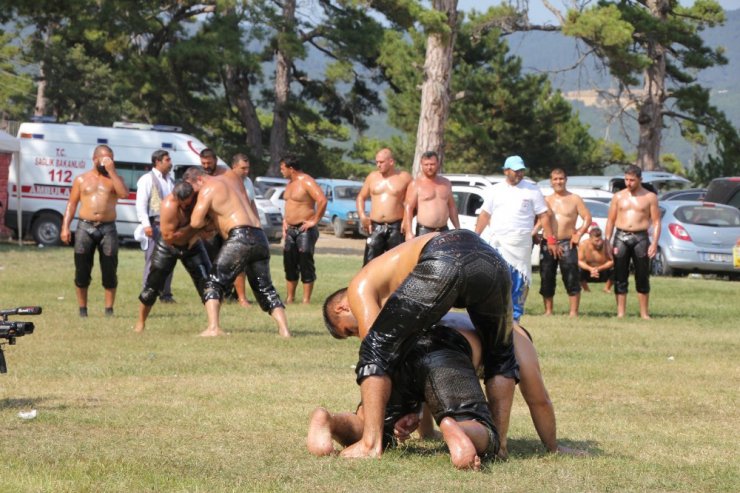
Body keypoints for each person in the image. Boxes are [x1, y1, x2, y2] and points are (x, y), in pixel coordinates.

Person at [322, 229, 518, 459]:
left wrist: (390, 411)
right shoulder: (398, 277)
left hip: (443, 255)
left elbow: (384, 355)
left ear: (342, 308)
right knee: (501, 356)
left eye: (349, 330)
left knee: (375, 348)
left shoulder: (359, 286)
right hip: (492, 260)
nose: (358, 333)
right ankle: (500, 446)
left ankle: (370, 443)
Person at [308, 320, 497, 470]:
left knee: (374, 428)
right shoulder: (489, 323)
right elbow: (505, 372)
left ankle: (331, 421)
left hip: (401, 349)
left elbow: (426, 383)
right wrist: (501, 444)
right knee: (482, 427)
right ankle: (458, 427)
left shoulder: (414, 308)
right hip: (448, 345)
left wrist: (415, 416)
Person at [415, 312, 587, 456]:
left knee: (429, 374)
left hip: (419, 342)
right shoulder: (517, 336)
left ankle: (417, 431)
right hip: (455, 347)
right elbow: (539, 399)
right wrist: (553, 446)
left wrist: (427, 432)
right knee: (476, 423)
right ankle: (489, 443)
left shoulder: (472, 319)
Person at [185, 166, 291, 337]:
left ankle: (213, 328)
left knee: (213, 282)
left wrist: (208, 223)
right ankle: (284, 330)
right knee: (265, 287)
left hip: (240, 236)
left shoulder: (207, 188)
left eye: (193, 188)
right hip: (259, 236)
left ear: (198, 179)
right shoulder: (231, 181)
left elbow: (195, 222)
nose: (194, 193)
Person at [475, 155, 557, 325]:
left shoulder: (532, 189)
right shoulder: (495, 190)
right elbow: (485, 215)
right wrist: (475, 236)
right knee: (497, 279)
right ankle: (495, 316)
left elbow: (544, 215)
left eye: (521, 170)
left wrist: (550, 240)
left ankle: (515, 318)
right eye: (516, 170)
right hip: (498, 242)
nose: (519, 173)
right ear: (506, 171)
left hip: (521, 244)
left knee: (519, 280)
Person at [60, 144, 129, 317]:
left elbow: (123, 194)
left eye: (110, 158)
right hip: (85, 226)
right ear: (94, 159)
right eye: (104, 158)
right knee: (82, 268)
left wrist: (112, 172)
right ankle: (83, 309)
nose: (107, 161)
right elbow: (72, 204)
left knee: (109, 269)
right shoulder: (82, 179)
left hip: (108, 228)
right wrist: (65, 227)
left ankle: (109, 310)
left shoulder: (115, 179)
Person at [134, 181, 211, 332]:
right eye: (181, 204)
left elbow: (210, 225)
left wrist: (196, 235)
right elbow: (169, 237)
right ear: (176, 198)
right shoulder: (168, 205)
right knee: (152, 286)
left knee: (207, 284)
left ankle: (213, 324)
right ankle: (140, 322)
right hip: (168, 246)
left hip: (193, 244)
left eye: (187, 204)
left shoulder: (200, 199)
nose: (184, 207)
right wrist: (194, 227)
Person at [605, 165, 661, 319]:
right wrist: (607, 241)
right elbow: (610, 220)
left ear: (640, 180)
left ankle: (644, 313)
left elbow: (656, 222)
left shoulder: (650, 197)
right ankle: (621, 312)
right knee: (619, 275)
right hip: (621, 236)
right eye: (626, 180)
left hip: (641, 237)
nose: (628, 183)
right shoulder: (618, 196)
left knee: (642, 275)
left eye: (632, 180)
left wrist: (654, 242)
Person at [538, 169, 592, 317]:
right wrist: (534, 234)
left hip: (568, 242)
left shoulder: (575, 199)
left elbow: (587, 217)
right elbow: (539, 220)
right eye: (555, 179)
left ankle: (573, 312)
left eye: (561, 179)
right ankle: (548, 311)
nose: (558, 182)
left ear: (566, 180)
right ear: (550, 181)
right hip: (548, 242)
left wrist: (579, 233)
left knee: (571, 276)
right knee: (546, 276)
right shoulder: (545, 200)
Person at [280, 156, 327, 304]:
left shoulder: (307, 181)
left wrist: (314, 220)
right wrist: (284, 221)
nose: (281, 171)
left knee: (305, 261)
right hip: (290, 229)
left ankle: (306, 300)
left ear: (291, 169)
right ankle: (290, 298)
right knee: (289, 263)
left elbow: (322, 200)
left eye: (282, 168)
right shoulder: (289, 184)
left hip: (304, 229)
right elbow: (289, 205)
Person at [356, 148, 412, 265]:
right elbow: (361, 197)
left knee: (396, 264)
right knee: (369, 263)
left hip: (396, 226)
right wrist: (362, 216)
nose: (378, 165)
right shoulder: (372, 177)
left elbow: (412, 202)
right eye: (376, 162)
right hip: (375, 226)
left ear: (391, 162)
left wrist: (407, 220)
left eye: (381, 162)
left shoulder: (404, 177)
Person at [135, 150, 176, 304]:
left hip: (170, 226)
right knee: (152, 261)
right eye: (167, 159)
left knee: (169, 260)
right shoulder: (147, 179)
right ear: (158, 162)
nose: (170, 162)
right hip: (155, 224)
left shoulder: (170, 180)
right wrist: (146, 224)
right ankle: (148, 291)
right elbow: (141, 204)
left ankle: (165, 293)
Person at [402, 151, 460, 240]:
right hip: (424, 231)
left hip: (443, 230)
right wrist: (409, 232)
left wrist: (457, 228)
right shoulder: (416, 184)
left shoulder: (446, 183)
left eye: (432, 164)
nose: (429, 167)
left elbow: (452, 207)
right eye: (426, 164)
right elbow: (408, 208)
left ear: (438, 164)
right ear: (421, 164)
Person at [229, 154, 259, 308]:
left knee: (244, 263)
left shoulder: (247, 182)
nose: (246, 171)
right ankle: (239, 298)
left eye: (248, 168)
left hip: (246, 227)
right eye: (243, 168)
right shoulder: (226, 182)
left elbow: (251, 203)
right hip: (230, 227)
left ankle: (242, 297)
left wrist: (257, 223)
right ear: (234, 167)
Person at [577, 226, 614, 293]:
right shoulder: (583, 245)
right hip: (588, 273)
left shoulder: (607, 244)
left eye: (600, 239)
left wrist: (598, 268)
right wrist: (590, 269)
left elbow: (611, 261)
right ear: (590, 239)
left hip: (603, 272)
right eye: (596, 240)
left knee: (618, 267)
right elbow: (580, 261)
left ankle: (607, 288)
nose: (599, 242)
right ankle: (586, 289)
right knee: (576, 269)